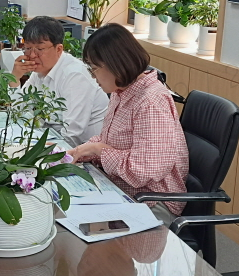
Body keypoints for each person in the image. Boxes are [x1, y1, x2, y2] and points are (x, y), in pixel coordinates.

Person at [67, 23, 189, 225]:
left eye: (94, 69)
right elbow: (112, 140)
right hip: (122, 189)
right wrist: (82, 151)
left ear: (115, 64)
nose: (93, 76)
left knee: (81, 228)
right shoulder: (121, 91)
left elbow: (146, 169)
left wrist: (99, 150)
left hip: (152, 202)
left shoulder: (151, 101)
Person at [9, 16, 109, 146]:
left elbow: (72, 135)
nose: (32, 55)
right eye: (28, 48)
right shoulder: (39, 72)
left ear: (59, 49)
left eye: (40, 49)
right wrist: (14, 79)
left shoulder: (74, 75)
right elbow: (17, 113)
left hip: (88, 152)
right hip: (54, 139)